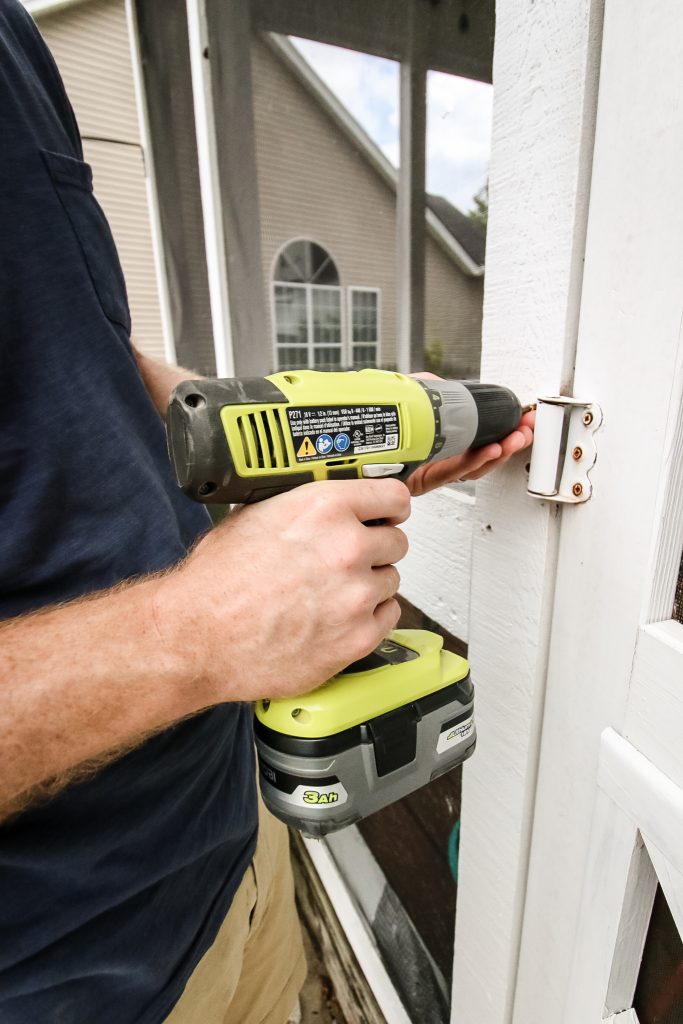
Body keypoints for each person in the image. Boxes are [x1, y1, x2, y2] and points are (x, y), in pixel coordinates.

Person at [0, 2, 534, 1021]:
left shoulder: (13, 40)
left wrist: (286, 440)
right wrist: (190, 633)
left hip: (229, 849)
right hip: (66, 978)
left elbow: (75, 348)